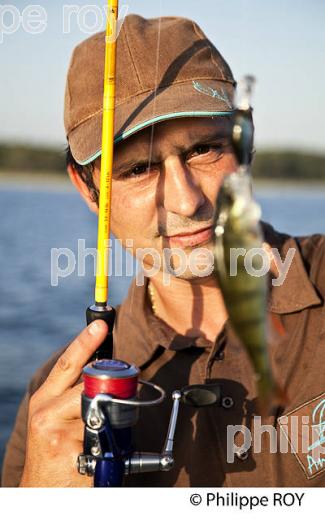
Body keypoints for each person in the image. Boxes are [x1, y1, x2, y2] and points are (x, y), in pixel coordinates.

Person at [2, 14, 325, 487]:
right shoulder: (53, 404)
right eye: (137, 169)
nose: (186, 199)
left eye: (204, 149)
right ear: (88, 189)